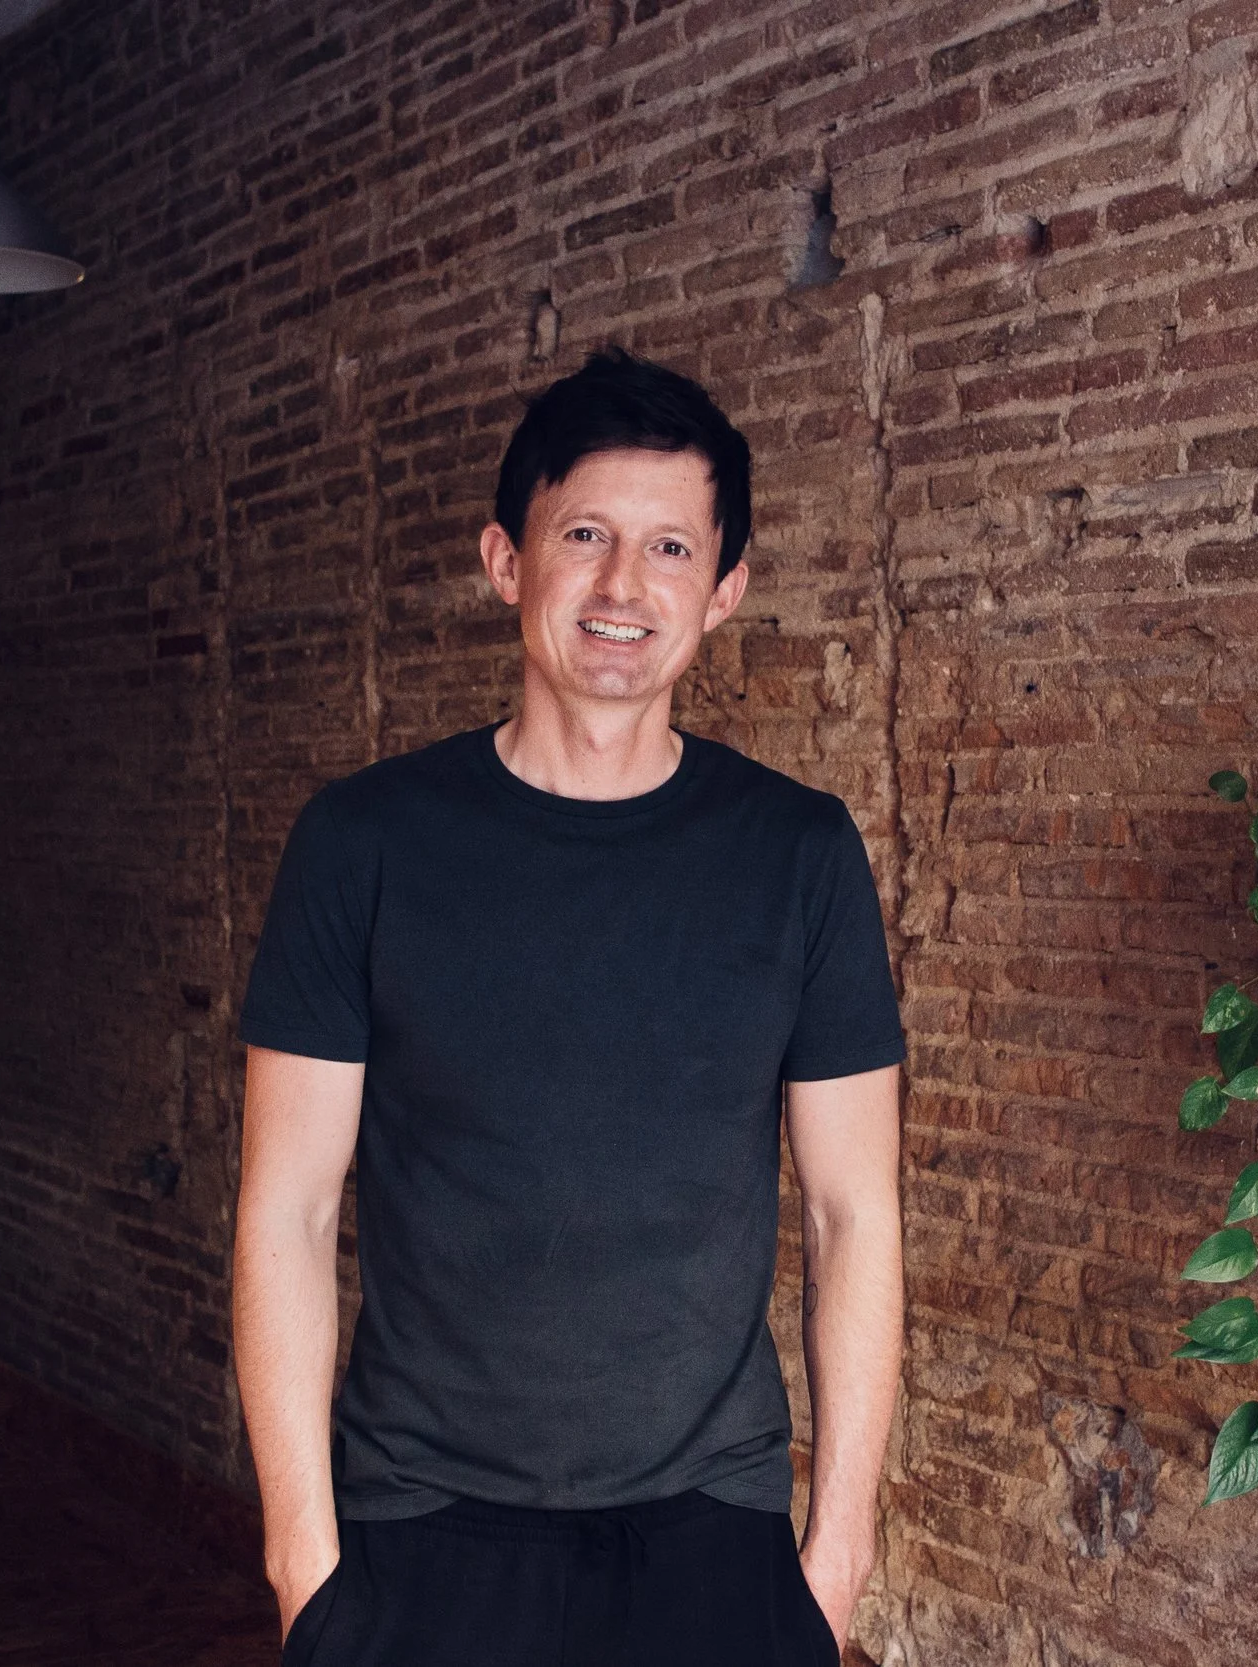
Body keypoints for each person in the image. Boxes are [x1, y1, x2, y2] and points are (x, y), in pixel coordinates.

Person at [229, 346, 906, 1667]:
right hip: (422, 1521)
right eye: (584, 534)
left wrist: (837, 1550)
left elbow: (851, 1209)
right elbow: (288, 1206)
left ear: (724, 591)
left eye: (668, 548)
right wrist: (302, 1557)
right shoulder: (362, 843)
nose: (622, 585)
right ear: (505, 561)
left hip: (713, 1525)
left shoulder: (800, 853)